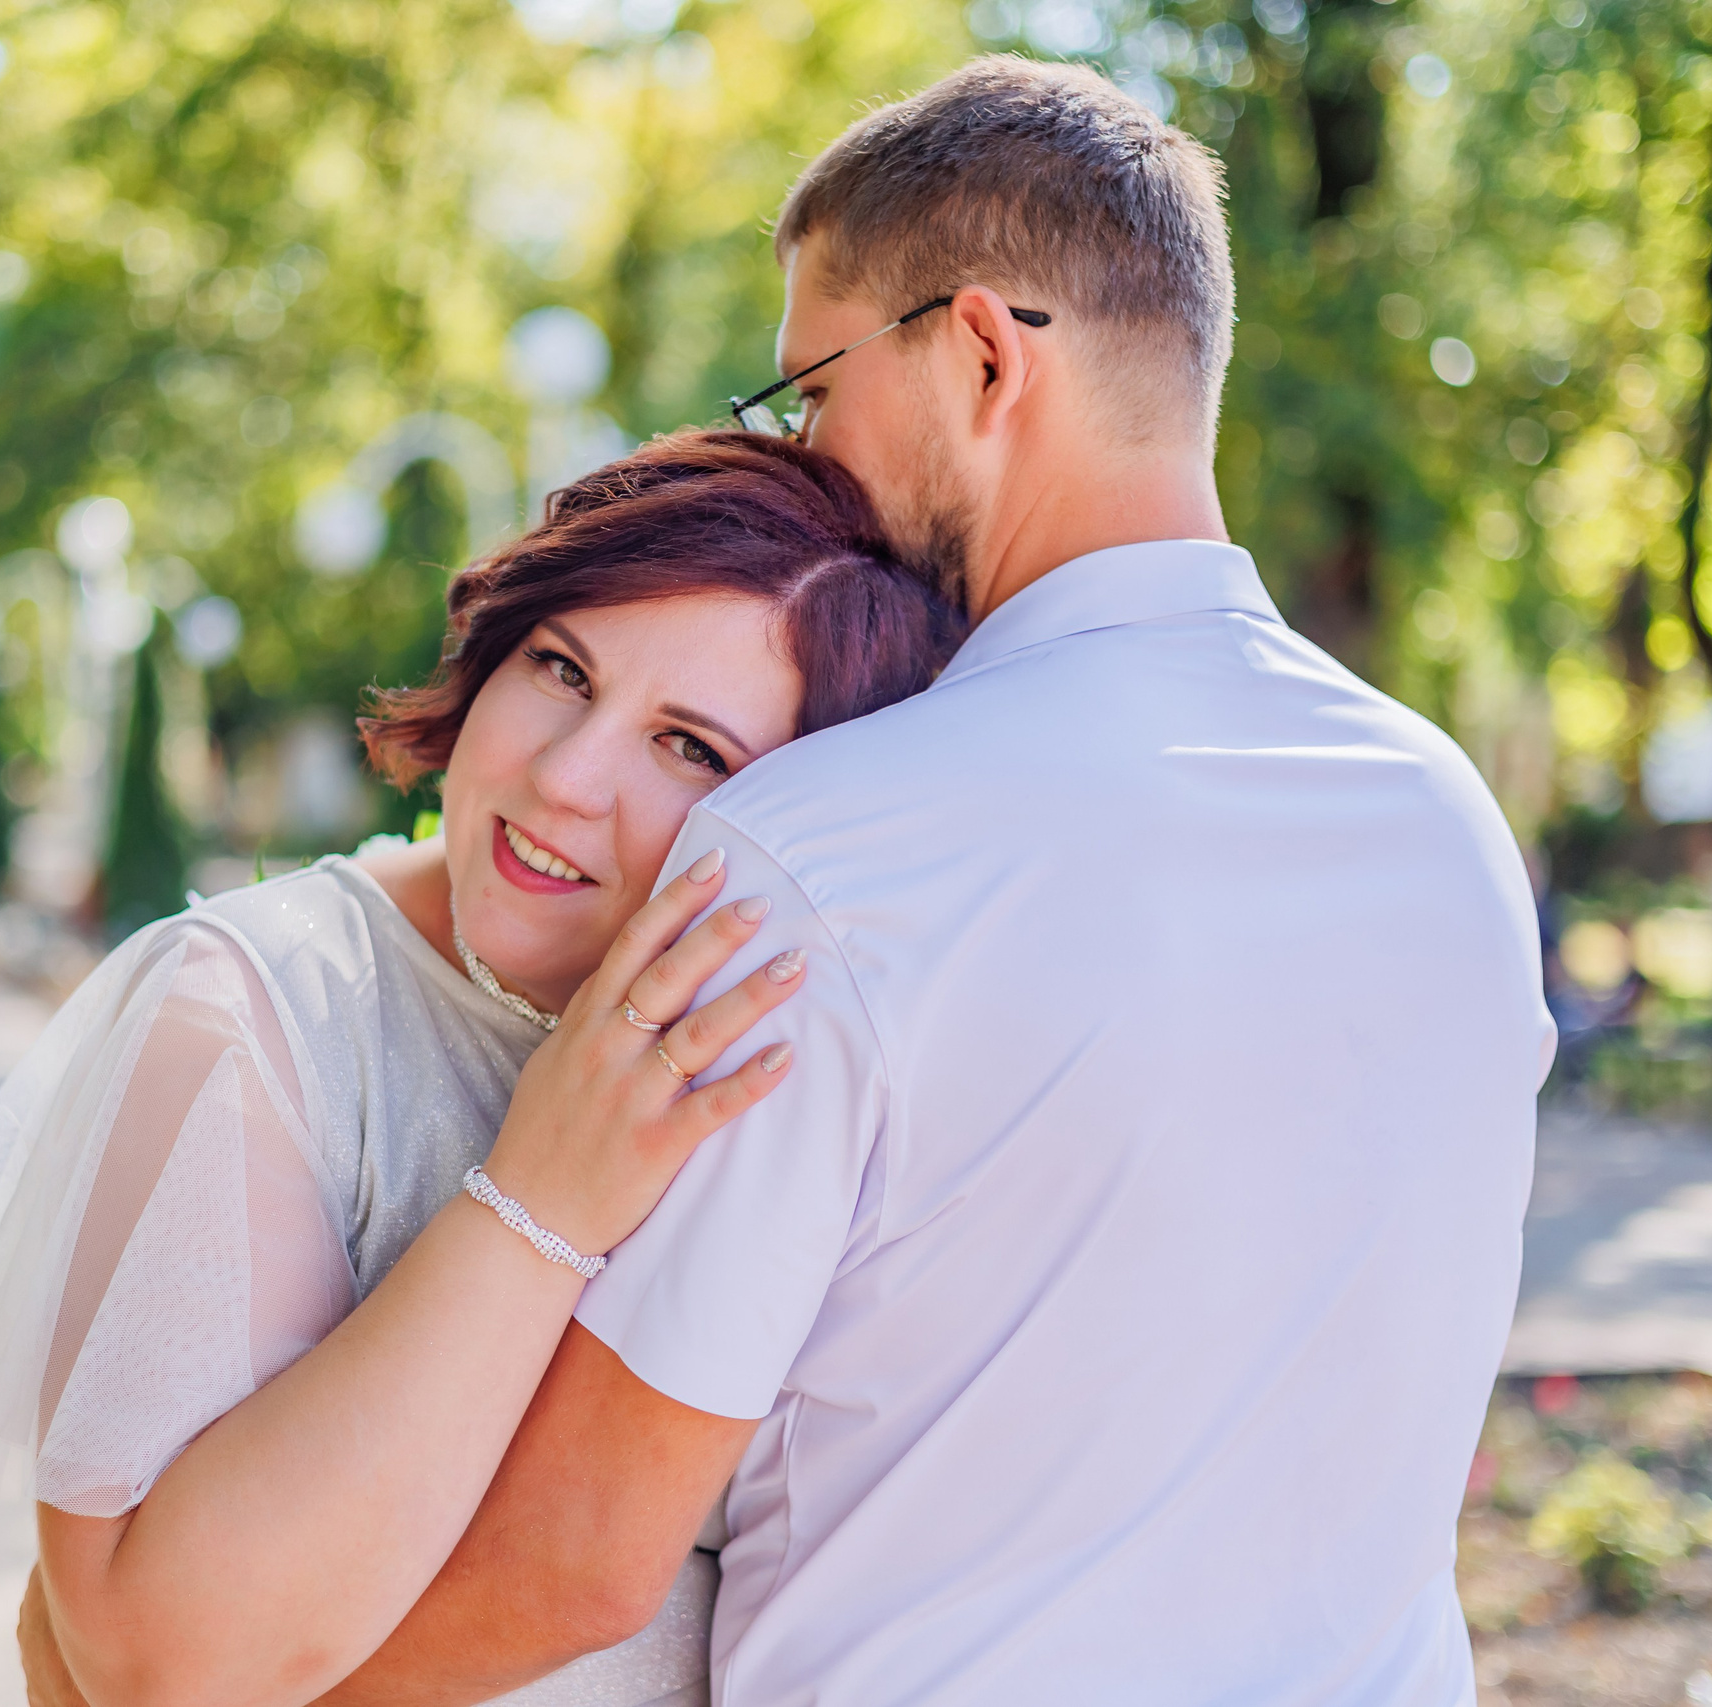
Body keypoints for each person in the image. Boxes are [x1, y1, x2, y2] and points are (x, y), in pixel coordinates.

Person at [299, 55, 1557, 1707]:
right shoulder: (1445, 824)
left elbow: (579, 1556)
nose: (807, 457)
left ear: (978, 353)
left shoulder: (825, 853)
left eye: (812, 387)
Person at [0, 432, 959, 1707]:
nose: (565, 778)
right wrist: (539, 1203)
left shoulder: (811, 1065)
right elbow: (154, 1659)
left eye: (691, 751)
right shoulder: (253, 1004)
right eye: (562, 669)